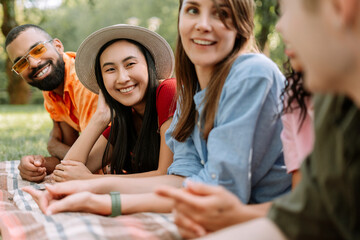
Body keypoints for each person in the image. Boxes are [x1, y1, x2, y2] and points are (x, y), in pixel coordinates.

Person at [23, 0, 290, 217]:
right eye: (193, 10)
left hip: (270, 214)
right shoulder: (188, 96)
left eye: (221, 12)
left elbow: (218, 187)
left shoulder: (247, 75)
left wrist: (97, 189)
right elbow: (184, 177)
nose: (203, 24)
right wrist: (100, 117)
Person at [158, 0, 360, 239]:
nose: (281, 27)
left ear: (340, 7)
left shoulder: (255, 75)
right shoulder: (335, 103)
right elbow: (311, 213)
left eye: (286, 11)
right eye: (192, 10)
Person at [49, 24, 177, 182]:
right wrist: (100, 117)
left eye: (130, 64)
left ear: (149, 65)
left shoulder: (169, 91)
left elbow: (168, 175)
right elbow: (66, 174)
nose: (122, 78)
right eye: (110, 69)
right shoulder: (125, 121)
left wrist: (91, 180)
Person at [5, 24, 98, 182]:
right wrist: (38, 165)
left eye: (38, 50)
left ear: (58, 46)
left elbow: (94, 162)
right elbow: (71, 153)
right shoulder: (51, 88)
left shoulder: (84, 82)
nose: (33, 63)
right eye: (21, 63)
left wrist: (54, 146)